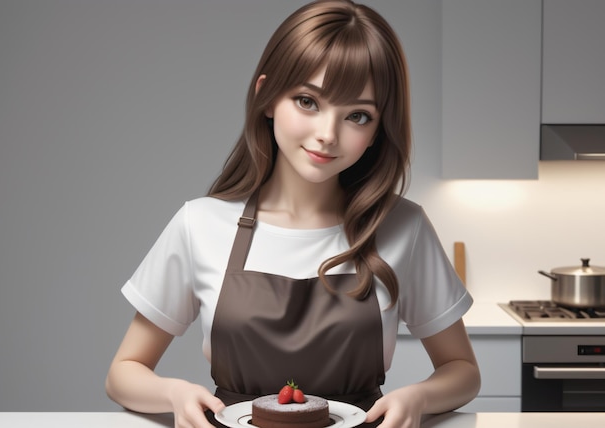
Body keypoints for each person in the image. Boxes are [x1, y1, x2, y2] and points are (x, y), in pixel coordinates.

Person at [105, 1, 481, 427]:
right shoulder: (200, 224)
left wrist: (418, 397)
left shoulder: (404, 226)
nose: (327, 134)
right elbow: (123, 373)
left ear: (379, 129)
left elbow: (462, 371)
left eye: (358, 115)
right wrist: (173, 392)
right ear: (267, 96)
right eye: (307, 101)